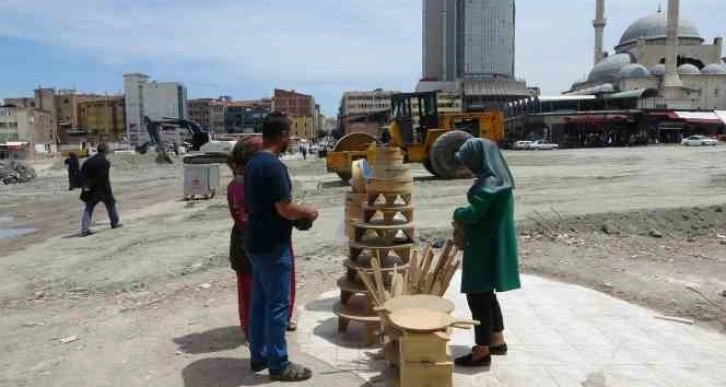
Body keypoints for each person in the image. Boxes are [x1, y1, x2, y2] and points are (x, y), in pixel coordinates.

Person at [244, 112, 318, 382]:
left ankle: (259, 354)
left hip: (255, 242)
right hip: (273, 246)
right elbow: (285, 209)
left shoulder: (253, 163)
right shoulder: (274, 167)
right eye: (290, 136)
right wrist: (308, 211)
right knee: (277, 305)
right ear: (284, 135)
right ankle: (279, 363)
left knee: (260, 301)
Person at [452, 138, 520, 368]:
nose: (467, 167)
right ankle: (497, 340)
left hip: (483, 246)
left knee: (477, 295)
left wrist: (458, 213)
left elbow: (473, 213)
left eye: (468, 161)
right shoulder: (502, 180)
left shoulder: (490, 184)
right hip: (494, 244)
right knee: (487, 294)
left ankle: (481, 351)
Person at [226, 137, 297, 338]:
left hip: (253, 240)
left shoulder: (244, 180)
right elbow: (277, 209)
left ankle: (267, 326)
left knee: (261, 290)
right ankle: (258, 333)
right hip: (262, 241)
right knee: (260, 290)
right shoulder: (245, 184)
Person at [80, 143, 121, 237]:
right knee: (111, 205)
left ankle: (85, 229)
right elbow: (104, 179)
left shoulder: (87, 162)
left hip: (90, 189)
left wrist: (85, 188)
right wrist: (109, 192)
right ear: (106, 151)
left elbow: (83, 175)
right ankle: (114, 223)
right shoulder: (105, 162)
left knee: (88, 209)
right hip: (102, 189)